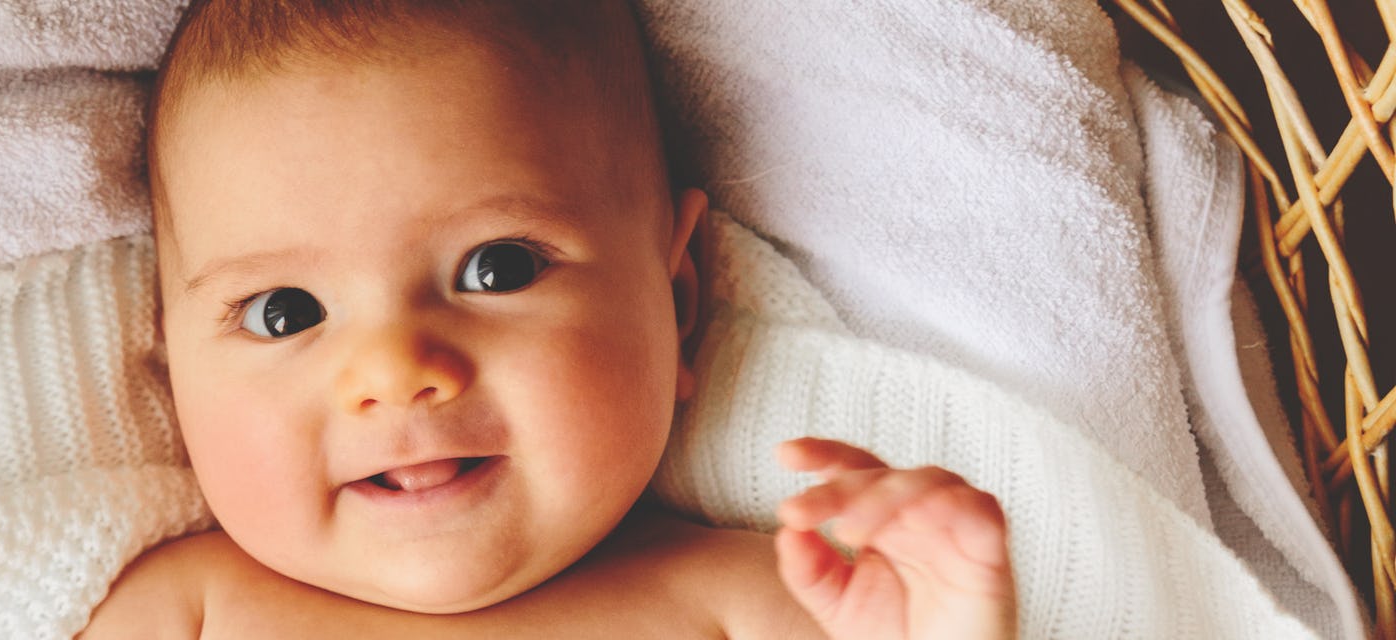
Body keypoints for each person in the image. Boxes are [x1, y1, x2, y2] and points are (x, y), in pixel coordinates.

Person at [84, 1, 1015, 637]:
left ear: (678, 301)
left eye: (497, 268)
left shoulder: (759, 603)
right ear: (169, 364)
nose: (394, 368)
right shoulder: (185, 613)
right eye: (285, 313)